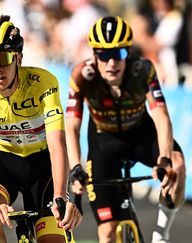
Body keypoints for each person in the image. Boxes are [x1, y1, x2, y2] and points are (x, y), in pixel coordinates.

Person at [0, 15, 82, 243]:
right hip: (1, 162)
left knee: (52, 238)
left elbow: (57, 145)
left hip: (42, 163)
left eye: (4, 58)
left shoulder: (43, 83)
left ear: (19, 58)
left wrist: (60, 197)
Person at [65, 16, 186, 243]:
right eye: (104, 55)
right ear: (95, 55)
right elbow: (71, 126)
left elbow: (161, 117)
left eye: (118, 54)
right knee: (107, 233)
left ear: (128, 53)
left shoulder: (143, 70)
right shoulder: (82, 76)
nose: (112, 63)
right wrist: (75, 167)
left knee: (177, 163)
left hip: (140, 134)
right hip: (103, 142)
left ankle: (162, 234)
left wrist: (164, 159)